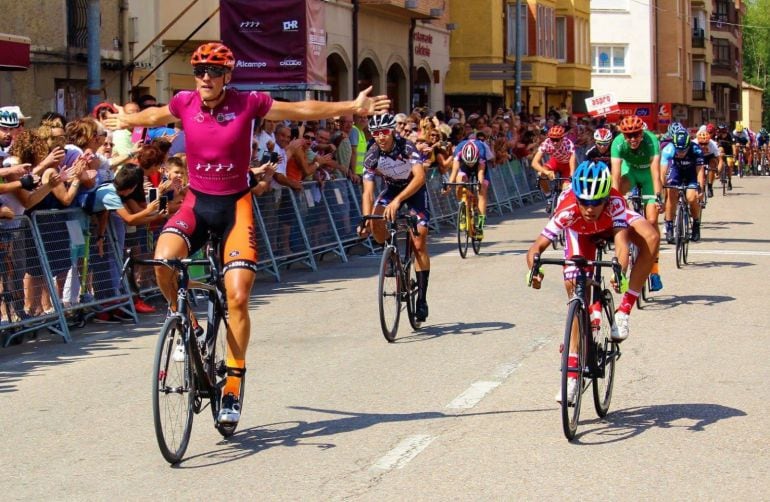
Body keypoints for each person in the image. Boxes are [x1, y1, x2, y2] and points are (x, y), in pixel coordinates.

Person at [103, 42, 389, 425]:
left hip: (235, 206)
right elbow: (155, 113)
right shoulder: (185, 102)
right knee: (163, 259)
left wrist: (350, 107)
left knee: (237, 297)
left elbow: (301, 109)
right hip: (197, 203)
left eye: (214, 71)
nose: (206, 77)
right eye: (200, 70)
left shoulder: (249, 102)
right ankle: (183, 317)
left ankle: (234, 381)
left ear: (227, 75)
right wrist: (129, 121)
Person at [526, 160, 658, 403]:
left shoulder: (615, 202)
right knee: (575, 291)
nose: (589, 207)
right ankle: (573, 372)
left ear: (605, 198)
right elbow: (537, 246)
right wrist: (534, 269)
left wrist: (619, 272)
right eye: (584, 201)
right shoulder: (567, 208)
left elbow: (621, 243)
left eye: (596, 202)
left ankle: (623, 312)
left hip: (610, 226)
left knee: (650, 236)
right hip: (579, 234)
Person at [357, 113, 431, 322]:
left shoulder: (406, 147)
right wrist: (365, 218)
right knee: (375, 221)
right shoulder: (372, 155)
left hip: (414, 191)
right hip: (391, 189)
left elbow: (419, 177)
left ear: (392, 131)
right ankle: (389, 253)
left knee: (419, 241)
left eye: (384, 132)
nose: (381, 137)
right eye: (376, 133)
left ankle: (422, 300)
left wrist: (398, 201)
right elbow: (368, 192)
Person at [610, 115, 665, 292]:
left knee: (651, 220)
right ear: (623, 135)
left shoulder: (651, 141)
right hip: (631, 172)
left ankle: (654, 269)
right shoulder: (617, 143)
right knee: (618, 195)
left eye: (636, 135)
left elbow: (656, 174)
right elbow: (616, 176)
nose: (632, 139)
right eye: (628, 136)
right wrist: (614, 201)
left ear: (642, 133)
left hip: (648, 175)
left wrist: (658, 197)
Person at [661, 130, 705, 242]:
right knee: (671, 194)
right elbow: (662, 172)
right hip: (675, 171)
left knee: (692, 198)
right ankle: (670, 227)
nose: (681, 152)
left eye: (684, 150)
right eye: (678, 150)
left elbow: (700, 171)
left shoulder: (696, 149)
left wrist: (700, 189)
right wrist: (662, 187)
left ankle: (696, 225)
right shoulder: (668, 149)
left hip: (691, 173)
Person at [446, 139, 488, 238]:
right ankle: (464, 209)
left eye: (472, 163)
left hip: (479, 167)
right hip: (463, 166)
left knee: (482, 191)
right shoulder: (458, 151)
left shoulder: (481, 151)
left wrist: (479, 184)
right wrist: (448, 185)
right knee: (459, 181)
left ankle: (480, 227)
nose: (471, 165)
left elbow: (481, 173)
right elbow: (454, 171)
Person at [530, 125, 576, 204]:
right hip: (555, 162)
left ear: (562, 138)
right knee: (541, 175)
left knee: (566, 189)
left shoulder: (568, 143)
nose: (554, 142)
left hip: (567, 165)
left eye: (557, 140)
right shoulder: (546, 143)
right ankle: (549, 198)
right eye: (552, 139)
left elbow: (572, 161)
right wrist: (546, 172)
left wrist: (572, 175)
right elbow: (534, 163)